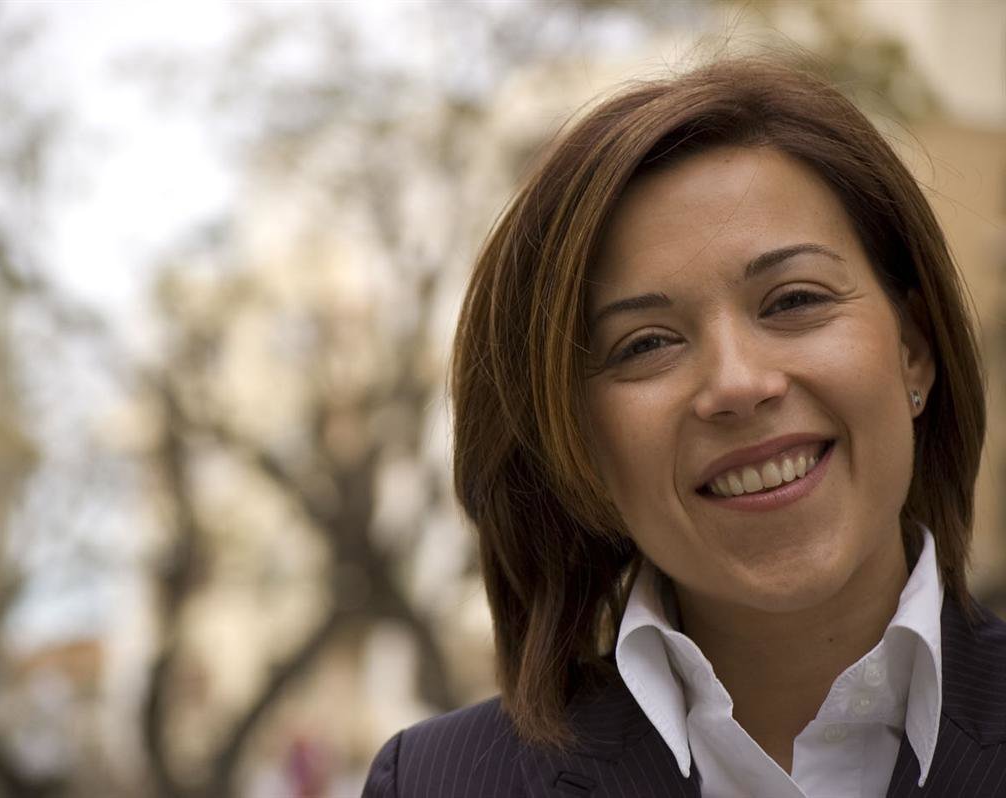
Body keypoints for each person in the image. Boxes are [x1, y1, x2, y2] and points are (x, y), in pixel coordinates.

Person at [362, 57, 1005, 798]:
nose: (737, 385)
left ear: (913, 349)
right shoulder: (435, 782)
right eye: (646, 344)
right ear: (580, 442)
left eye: (793, 300)